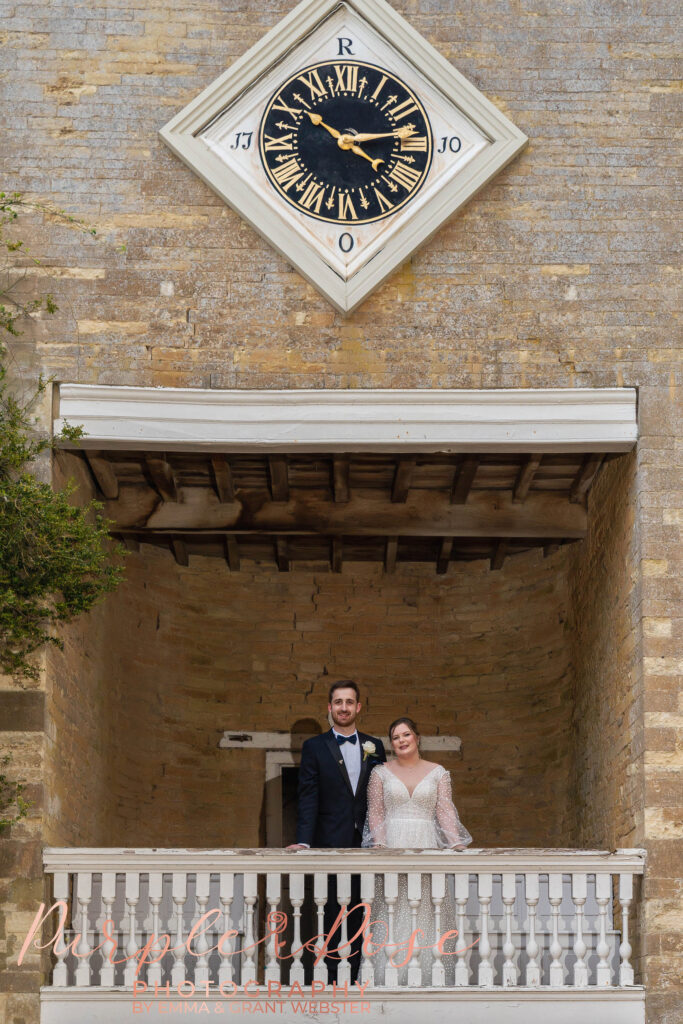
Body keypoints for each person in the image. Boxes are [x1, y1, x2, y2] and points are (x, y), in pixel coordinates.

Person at [286, 680, 386, 981]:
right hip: (328, 843)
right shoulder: (314, 747)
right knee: (330, 914)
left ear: (358, 707)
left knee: (363, 912)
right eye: (338, 702)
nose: (344, 707)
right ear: (330, 708)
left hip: (367, 844)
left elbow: (380, 799)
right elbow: (308, 797)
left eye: (349, 702)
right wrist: (304, 841)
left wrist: (381, 837)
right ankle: (331, 980)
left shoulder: (375, 746)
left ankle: (358, 977)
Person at [361, 716, 472, 985]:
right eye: (396, 737)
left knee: (426, 909)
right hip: (393, 845)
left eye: (406, 735)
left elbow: (444, 811)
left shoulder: (438, 772)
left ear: (417, 737)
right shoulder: (380, 772)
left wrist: (455, 843)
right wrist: (380, 845)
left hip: (426, 843)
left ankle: (428, 975)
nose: (401, 740)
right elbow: (376, 813)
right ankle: (388, 974)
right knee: (393, 908)